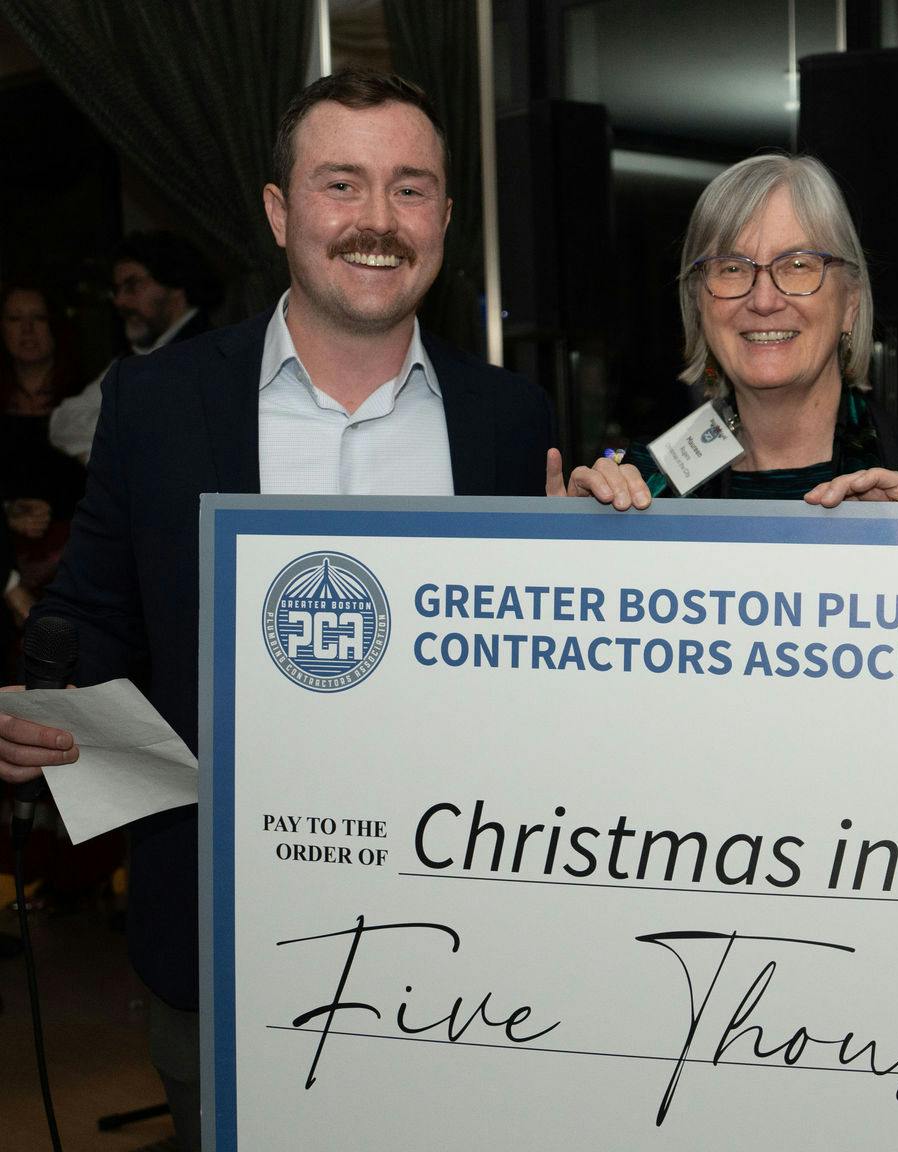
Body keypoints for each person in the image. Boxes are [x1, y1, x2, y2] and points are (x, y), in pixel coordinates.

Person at [0, 68, 555, 1149]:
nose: (376, 223)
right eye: (340, 184)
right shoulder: (159, 404)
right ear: (278, 210)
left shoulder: (507, 415)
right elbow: (95, 617)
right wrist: (40, 709)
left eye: (409, 189)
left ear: (444, 215)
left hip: (460, 960)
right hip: (220, 951)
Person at [557, 153, 898, 510]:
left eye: (798, 264)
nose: (763, 300)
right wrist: (562, 549)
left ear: (850, 303)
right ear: (698, 304)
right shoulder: (643, 486)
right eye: (731, 268)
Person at [48, 231, 222, 462]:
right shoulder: (138, 354)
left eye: (132, 286)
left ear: (176, 284)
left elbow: (166, 444)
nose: (120, 301)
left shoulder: (212, 353)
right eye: (117, 289)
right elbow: (62, 422)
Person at [1, 283, 87, 633]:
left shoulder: (85, 399)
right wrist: (8, 511)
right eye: (14, 319)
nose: (27, 330)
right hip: (7, 556)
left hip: (75, 561)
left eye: (37, 318)